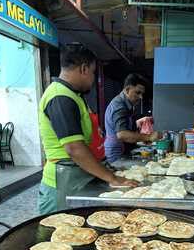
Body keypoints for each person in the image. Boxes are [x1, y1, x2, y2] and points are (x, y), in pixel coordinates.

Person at [38, 43, 136, 214]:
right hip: (63, 183)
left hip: (78, 177)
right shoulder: (60, 97)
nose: (92, 78)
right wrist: (112, 178)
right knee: (59, 236)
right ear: (83, 69)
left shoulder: (74, 95)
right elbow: (74, 148)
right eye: (92, 72)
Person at [104, 73, 161, 163]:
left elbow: (124, 125)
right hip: (117, 152)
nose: (141, 97)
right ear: (127, 90)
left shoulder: (127, 104)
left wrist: (138, 123)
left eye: (142, 93)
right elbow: (122, 134)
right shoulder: (119, 105)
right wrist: (149, 137)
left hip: (123, 148)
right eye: (138, 93)